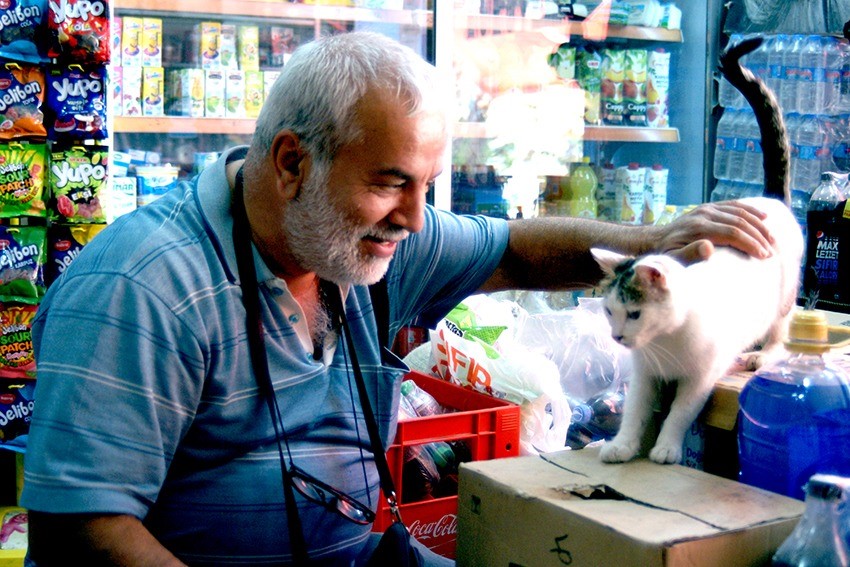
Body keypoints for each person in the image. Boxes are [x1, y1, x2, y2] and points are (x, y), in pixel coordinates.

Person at [21, 31, 776, 566]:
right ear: (292, 162)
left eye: (426, 188)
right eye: (390, 183)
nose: (415, 220)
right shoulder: (140, 290)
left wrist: (651, 245)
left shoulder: (356, 244)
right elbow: (81, 532)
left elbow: (515, 248)